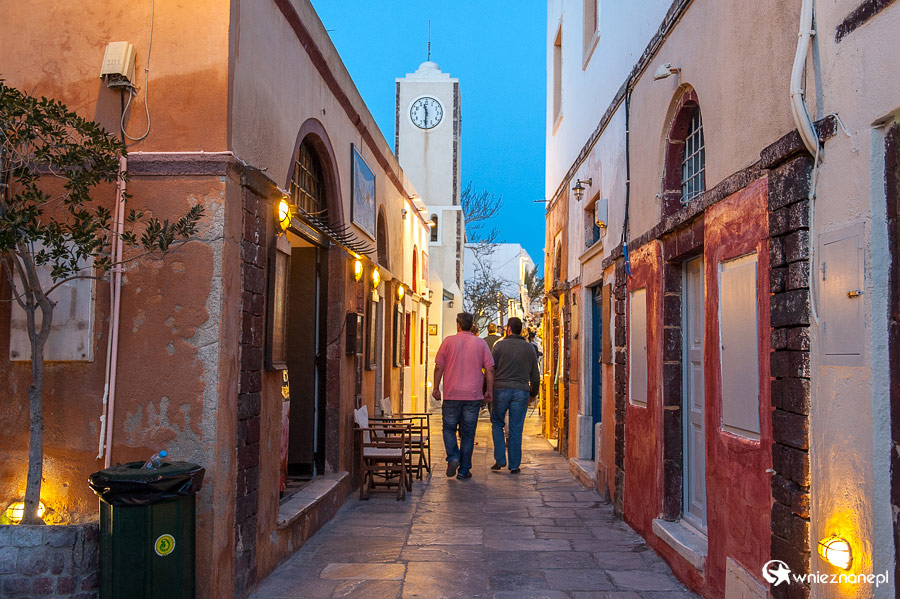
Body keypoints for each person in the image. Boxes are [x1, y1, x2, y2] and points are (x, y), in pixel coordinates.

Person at [432, 312, 495, 479]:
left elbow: (439, 367)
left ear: (458, 325)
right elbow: (489, 369)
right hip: (473, 396)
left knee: (449, 428)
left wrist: (436, 388)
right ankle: (464, 469)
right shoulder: (481, 343)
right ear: (471, 325)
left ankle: (453, 457)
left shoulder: (448, 342)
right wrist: (489, 390)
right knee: (468, 433)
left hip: (452, 395)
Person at [490, 317, 540, 474]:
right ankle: (514, 465)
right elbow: (535, 375)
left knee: (497, 423)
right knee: (516, 427)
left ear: (509, 329)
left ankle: (499, 459)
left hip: (501, 390)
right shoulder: (529, 348)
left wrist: (488, 389)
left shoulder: (499, 346)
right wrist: (534, 393)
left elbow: (491, 369)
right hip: (521, 391)